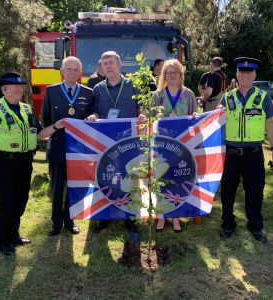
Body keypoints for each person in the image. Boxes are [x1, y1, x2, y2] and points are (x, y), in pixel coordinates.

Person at [218, 57, 273, 244]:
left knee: (255, 191)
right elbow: (214, 122)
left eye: (249, 73)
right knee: (228, 191)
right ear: (236, 74)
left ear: (254, 75)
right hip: (230, 154)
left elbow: (270, 125)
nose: (245, 76)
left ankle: (255, 226)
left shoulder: (263, 98)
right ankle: (228, 223)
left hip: (253, 154)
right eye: (242, 72)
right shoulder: (226, 98)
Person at [0, 72, 41, 255]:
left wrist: (58, 126)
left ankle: (13, 235)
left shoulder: (26, 109)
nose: (20, 89)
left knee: (21, 200)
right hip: (2, 163)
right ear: (5, 89)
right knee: (5, 203)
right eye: (15, 87)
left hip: (24, 162)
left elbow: (39, 132)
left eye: (21, 86)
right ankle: (0, 241)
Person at [86, 50, 140, 235]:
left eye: (111, 63)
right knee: (105, 177)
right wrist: (94, 116)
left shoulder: (133, 85)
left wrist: (142, 115)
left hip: (129, 141)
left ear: (119, 65)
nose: (107, 66)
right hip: (105, 142)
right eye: (105, 64)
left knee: (130, 177)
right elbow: (96, 112)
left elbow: (143, 109)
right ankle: (104, 217)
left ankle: (130, 218)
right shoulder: (98, 89)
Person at [41, 56, 95, 237]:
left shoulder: (88, 93)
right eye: (69, 69)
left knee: (74, 187)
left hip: (79, 150)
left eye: (76, 70)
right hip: (57, 147)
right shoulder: (51, 92)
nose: (72, 73)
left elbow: (91, 118)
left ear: (80, 73)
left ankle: (69, 221)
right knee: (57, 188)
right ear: (62, 71)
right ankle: (56, 222)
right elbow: (46, 122)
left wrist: (93, 116)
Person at [153, 59, 197, 233]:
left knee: (178, 180)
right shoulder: (157, 95)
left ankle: (176, 216)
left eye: (175, 73)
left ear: (180, 75)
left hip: (182, 145)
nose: (172, 76)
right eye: (168, 73)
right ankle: (161, 216)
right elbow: (151, 119)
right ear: (164, 75)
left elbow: (195, 117)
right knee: (161, 179)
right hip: (162, 145)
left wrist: (194, 115)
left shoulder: (189, 94)